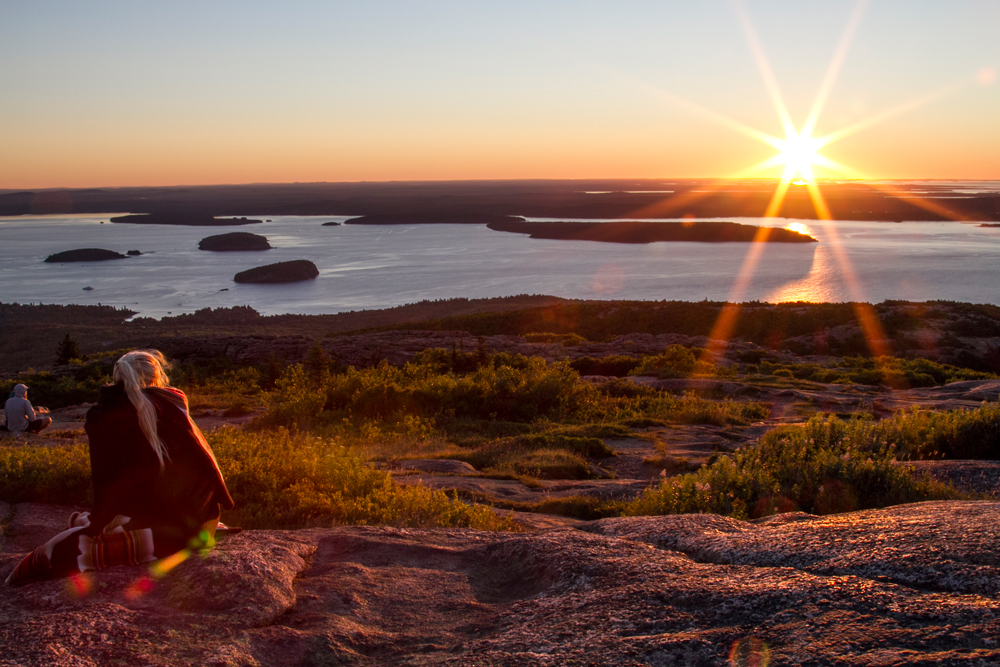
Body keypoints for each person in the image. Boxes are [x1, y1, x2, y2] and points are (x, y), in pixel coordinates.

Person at [6, 350, 234, 586]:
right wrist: (216, 502)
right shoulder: (173, 402)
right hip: (188, 511)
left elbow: (105, 478)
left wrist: (99, 519)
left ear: (118, 377)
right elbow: (201, 458)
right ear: (155, 377)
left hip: (136, 508)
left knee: (82, 536)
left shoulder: (101, 415)